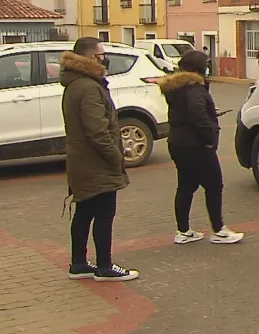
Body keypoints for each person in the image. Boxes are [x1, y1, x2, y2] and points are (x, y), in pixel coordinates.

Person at [61, 37, 138, 282]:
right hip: (95, 163)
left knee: (84, 211)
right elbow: (97, 130)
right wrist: (115, 157)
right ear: (91, 58)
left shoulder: (77, 84)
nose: (105, 58)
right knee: (104, 213)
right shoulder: (88, 87)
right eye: (101, 54)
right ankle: (105, 266)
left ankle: (79, 264)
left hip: (83, 161)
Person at [158, 49, 244, 245]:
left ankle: (183, 231)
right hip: (195, 145)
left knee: (186, 186)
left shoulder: (178, 88)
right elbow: (197, 115)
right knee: (214, 185)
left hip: (178, 143)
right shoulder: (195, 89)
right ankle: (219, 230)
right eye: (206, 65)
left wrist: (209, 114)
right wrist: (210, 138)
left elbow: (188, 112)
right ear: (199, 68)